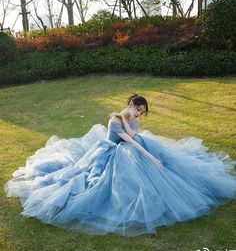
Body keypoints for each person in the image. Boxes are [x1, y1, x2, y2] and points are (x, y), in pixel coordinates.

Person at [5, 94, 236, 237]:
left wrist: (127, 118)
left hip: (129, 144)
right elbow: (131, 141)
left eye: (142, 112)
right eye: (137, 109)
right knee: (111, 173)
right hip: (112, 150)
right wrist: (151, 157)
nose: (139, 113)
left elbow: (133, 132)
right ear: (130, 103)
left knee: (158, 156)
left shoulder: (127, 118)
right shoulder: (113, 121)